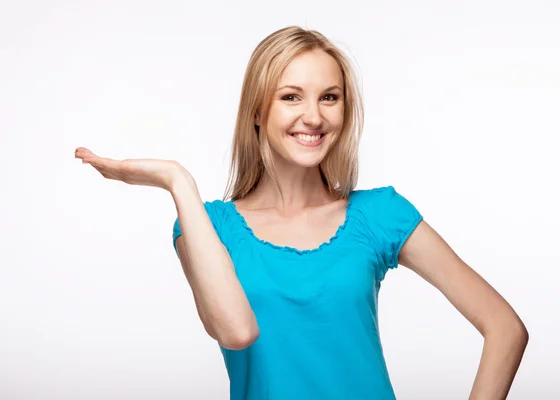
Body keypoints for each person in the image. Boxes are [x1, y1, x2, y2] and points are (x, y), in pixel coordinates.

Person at [75, 26, 528, 400]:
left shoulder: (380, 215)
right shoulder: (207, 227)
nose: (313, 116)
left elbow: (505, 328)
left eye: (329, 98)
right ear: (257, 110)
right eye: (291, 97)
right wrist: (178, 181)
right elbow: (234, 331)